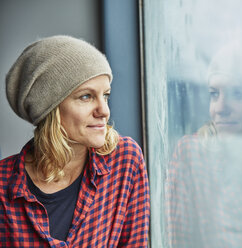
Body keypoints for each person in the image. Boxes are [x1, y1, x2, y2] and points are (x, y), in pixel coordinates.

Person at [0, 35, 150, 247]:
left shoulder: (124, 161)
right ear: (50, 108)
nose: (104, 111)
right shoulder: (3, 184)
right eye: (86, 96)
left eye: (105, 95)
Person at [167, 42, 242, 247]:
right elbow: (180, 240)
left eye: (237, 94)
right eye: (214, 94)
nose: (221, 108)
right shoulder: (192, 155)